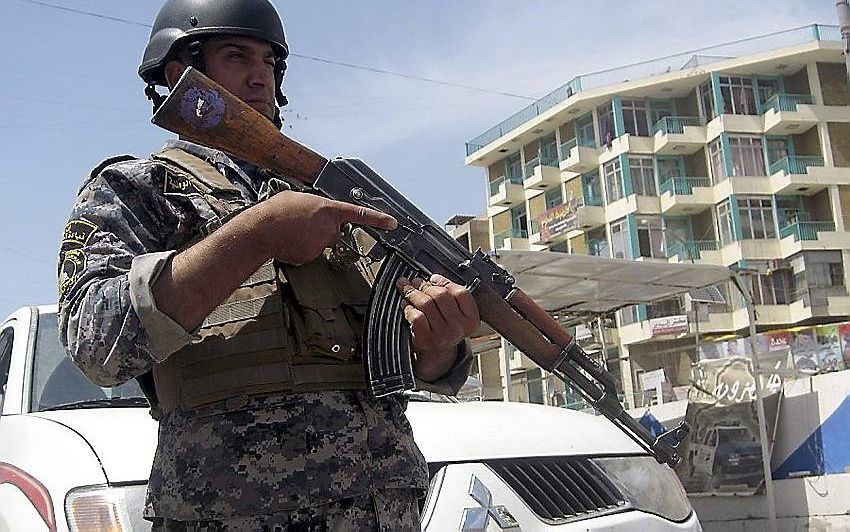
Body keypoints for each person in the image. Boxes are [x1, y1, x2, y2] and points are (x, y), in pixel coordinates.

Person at [57, 0, 479, 530]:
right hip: (232, 513)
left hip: (383, 507)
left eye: (271, 63)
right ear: (180, 73)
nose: (260, 76)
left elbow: (408, 356)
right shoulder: (137, 191)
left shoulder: (333, 200)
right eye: (238, 56)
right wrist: (256, 235)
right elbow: (98, 346)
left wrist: (438, 344)